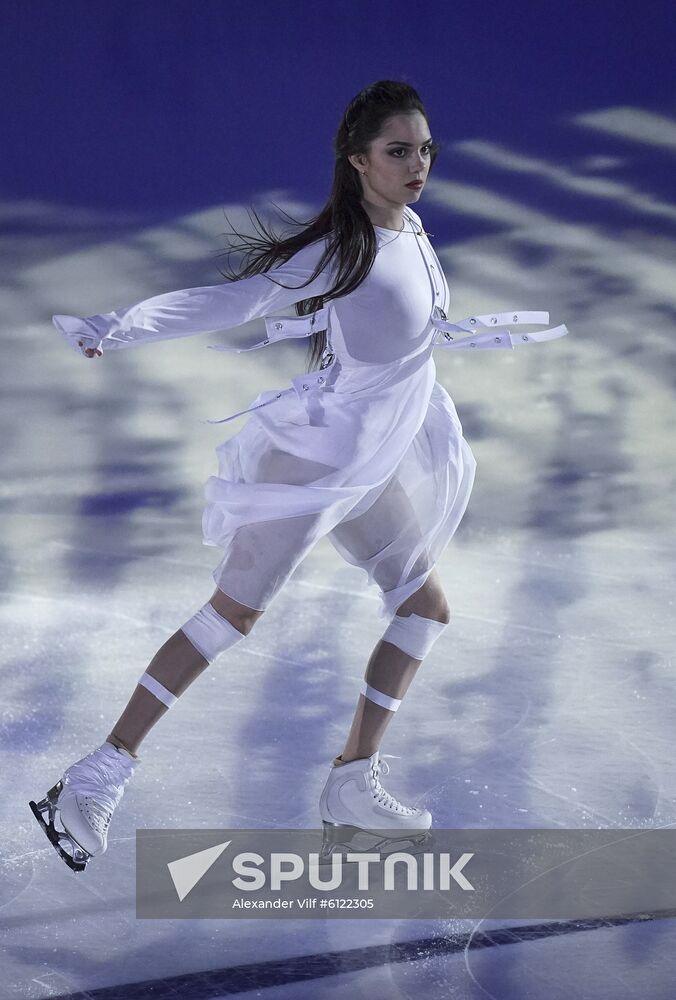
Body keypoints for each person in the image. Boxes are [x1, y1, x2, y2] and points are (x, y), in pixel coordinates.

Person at [29, 80, 567, 872]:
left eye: (424, 149)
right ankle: (95, 775)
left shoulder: (412, 228)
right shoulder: (337, 252)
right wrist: (121, 327)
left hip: (374, 457)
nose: (418, 164)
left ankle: (352, 782)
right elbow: (235, 302)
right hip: (319, 459)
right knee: (230, 618)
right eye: (398, 151)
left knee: (424, 608)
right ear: (358, 162)